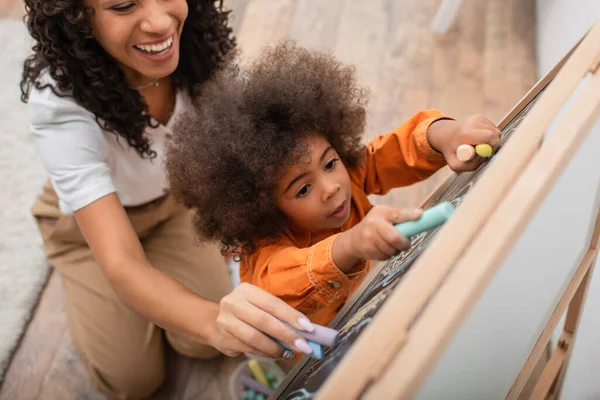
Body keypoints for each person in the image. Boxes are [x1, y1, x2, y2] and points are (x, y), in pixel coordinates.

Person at [21, 1, 315, 399]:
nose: (160, 23)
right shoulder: (58, 103)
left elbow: (250, 156)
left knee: (199, 340)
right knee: (133, 380)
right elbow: (122, 262)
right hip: (88, 231)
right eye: (123, 5)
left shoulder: (205, 51)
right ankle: (78, 274)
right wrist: (213, 321)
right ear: (78, 18)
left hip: (174, 202)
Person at [165, 40, 502, 328]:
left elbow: (393, 152)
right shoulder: (268, 248)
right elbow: (275, 285)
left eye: (329, 162)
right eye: (302, 189)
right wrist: (350, 245)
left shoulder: (349, 174)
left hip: (364, 306)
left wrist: (445, 134)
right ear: (266, 207)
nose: (330, 187)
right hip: (308, 341)